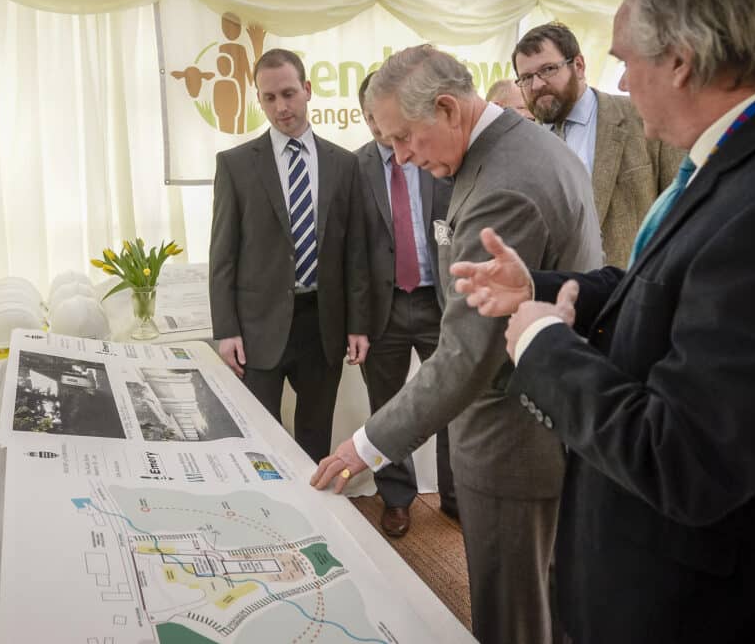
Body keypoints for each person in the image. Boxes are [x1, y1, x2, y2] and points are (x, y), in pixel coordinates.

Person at [450, 0, 755, 643]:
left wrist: (544, 343)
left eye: (623, 58)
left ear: (682, 58)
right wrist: (546, 285)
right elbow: (678, 291)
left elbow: (686, 457)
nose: (620, 80)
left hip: (710, 610)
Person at [312, 45, 603, 644]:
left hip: (512, 437)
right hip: (542, 421)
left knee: (511, 617)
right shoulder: (513, 147)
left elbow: (468, 354)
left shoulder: (504, 184)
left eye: (404, 138)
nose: (402, 157)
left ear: (447, 109)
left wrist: (365, 446)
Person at [209, 48, 370, 463]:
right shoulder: (236, 165)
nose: (281, 107)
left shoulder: (344, 164)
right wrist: (226, 330)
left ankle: (316, 518)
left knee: (315, 437)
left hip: (323, 325)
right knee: (260, 437)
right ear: (259, 101)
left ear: (308, 90)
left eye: (288, 93)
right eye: (269, 98)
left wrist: (357, 323)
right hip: (258, 325)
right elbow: (222, 254)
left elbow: (354, 252)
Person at [354, 71, 456, 536]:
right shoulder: (353, 168)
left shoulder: (435, 154)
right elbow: (348, 251)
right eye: (372, 117)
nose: (382, 128)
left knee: (453, 401)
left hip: (440, 303)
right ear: (364, 116)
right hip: (385, 308)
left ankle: (457, 496)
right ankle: (396, 497)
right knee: (387, 407)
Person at [514, 22, 683, 268]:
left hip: (631, 292)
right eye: (526, 77)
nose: (537, 85)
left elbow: (681, 209)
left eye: (548, 69)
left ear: (579, 66)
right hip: (556, 298)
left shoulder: (643, 116)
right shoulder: (524, 146)